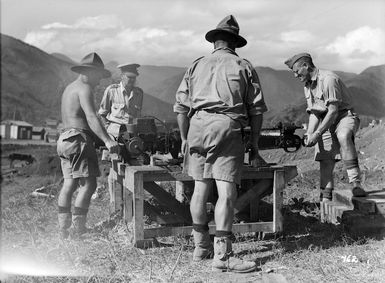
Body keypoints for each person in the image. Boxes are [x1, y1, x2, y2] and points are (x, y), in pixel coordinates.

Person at [174, 15, 268, 273]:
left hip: (197, 127)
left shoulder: (196, 65)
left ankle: (200, 248)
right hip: (226, 127)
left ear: (214, 42)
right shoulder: (242, 65)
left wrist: (184, 138)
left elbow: (181, 108)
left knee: (200, 187)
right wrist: (255, 146)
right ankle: (223, 257)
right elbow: (257, 110)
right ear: (234, 43)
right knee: (226, 191)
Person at [284, 53, 367, 202]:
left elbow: (334, 110)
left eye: (297, 71)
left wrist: (317, 133)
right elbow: (315, 113)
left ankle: (356, 184)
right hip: (326, 119)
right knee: (325, 156)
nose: (295, 75)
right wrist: (310, 134)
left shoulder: (328, 79)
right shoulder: (307, 86)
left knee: (343, 136)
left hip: (344, 116)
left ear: (306, 66)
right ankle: (325, 197)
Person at [57, 52, 119, 239]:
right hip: (78, 139)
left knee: (69, 183)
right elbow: (92, 117)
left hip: (64, 139)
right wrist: (108, 141)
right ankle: (78, 230)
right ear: (89, 73)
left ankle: (63, 230)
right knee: (89, 184)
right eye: (98, 77)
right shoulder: (85, 89)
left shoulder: (70, 88)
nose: (99, 82)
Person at [98, 63, 143, 138]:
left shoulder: (139, 93)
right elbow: (102, 114)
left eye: (134, 77)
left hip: (132, 135)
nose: (132, 80)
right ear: (122, 76)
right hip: (114, 134)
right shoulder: (112, 91)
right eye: (129, 77)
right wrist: (107, 128)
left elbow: (138, 116)